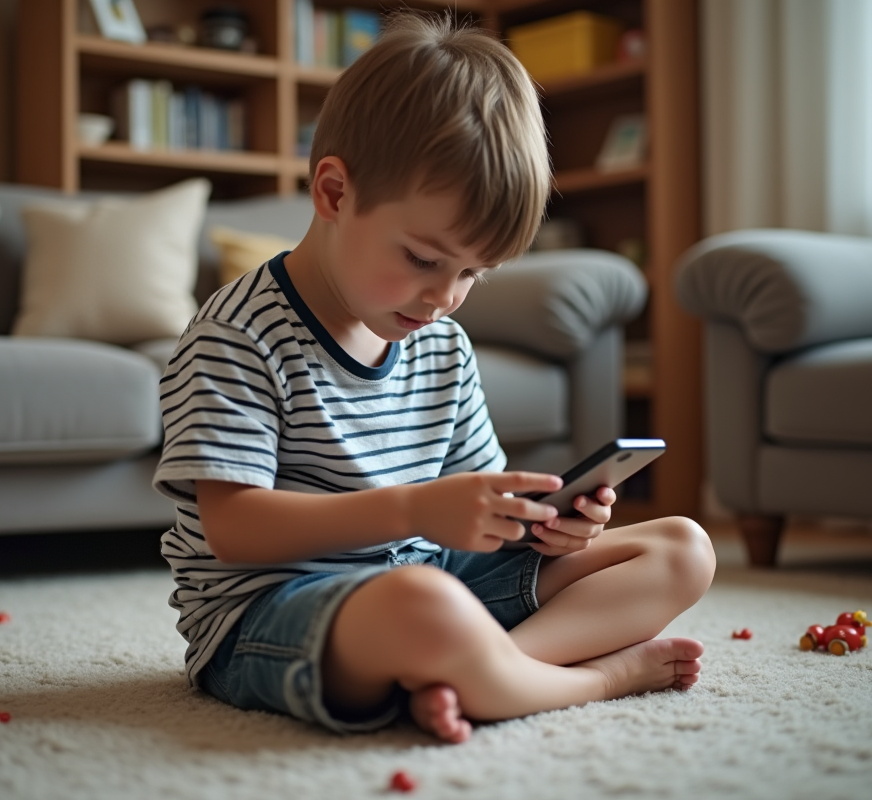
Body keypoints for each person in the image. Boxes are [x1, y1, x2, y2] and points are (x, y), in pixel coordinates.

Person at [154, 11, 716, 744]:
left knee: (681, 548)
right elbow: (234, 529)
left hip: (432, 585)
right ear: (333, 193)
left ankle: (486, 671)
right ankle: (590, 678)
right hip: (275, 611)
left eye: (472, 273)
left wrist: (543, 528)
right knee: (421, 604)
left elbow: (470, 519)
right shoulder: (237, 334)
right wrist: (415, 512)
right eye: (424, 259)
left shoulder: (440, 343)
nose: (445, 297)